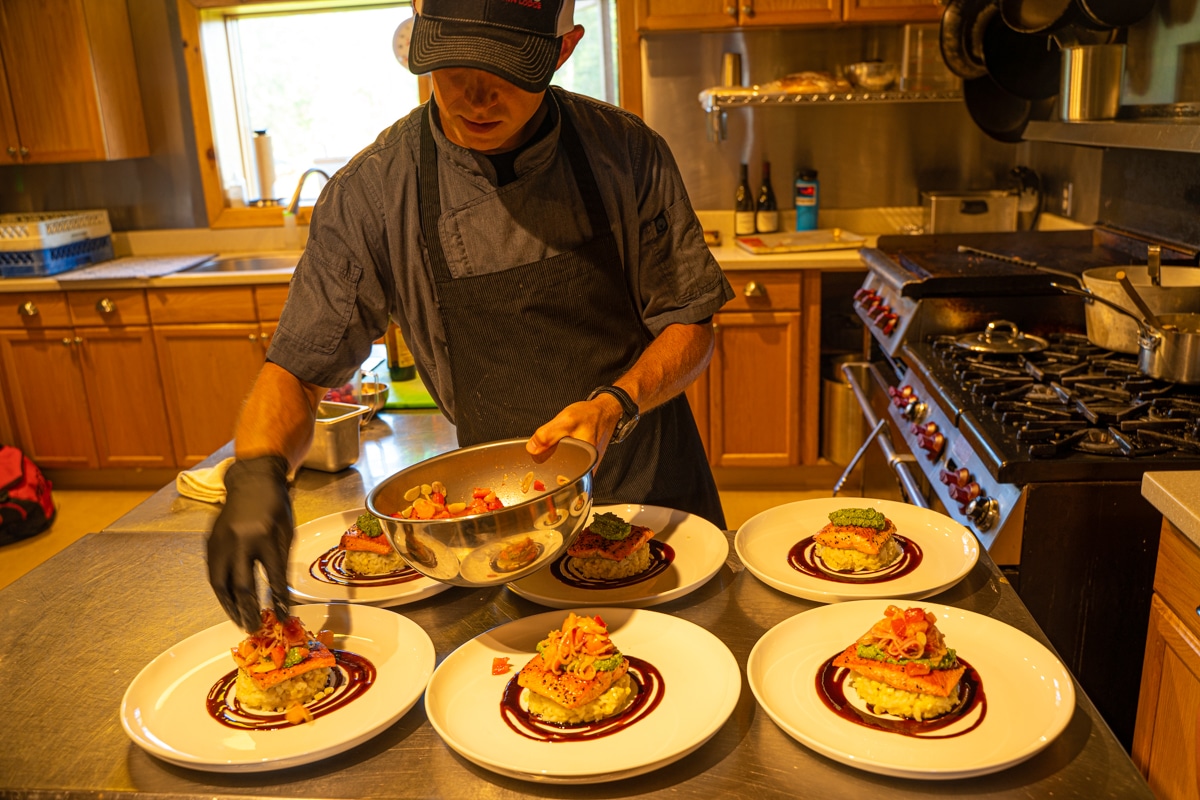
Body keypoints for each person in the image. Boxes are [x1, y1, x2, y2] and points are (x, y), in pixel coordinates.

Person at [206, 0, 735, 631]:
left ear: (563, 51)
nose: (476, 97)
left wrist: (615, 403)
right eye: (452, 66)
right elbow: (298, 367)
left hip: (655, 497)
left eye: (508, 70)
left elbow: (690, 323)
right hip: (502, 527)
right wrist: (258, 472)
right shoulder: (374, 194)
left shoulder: (627, 153)